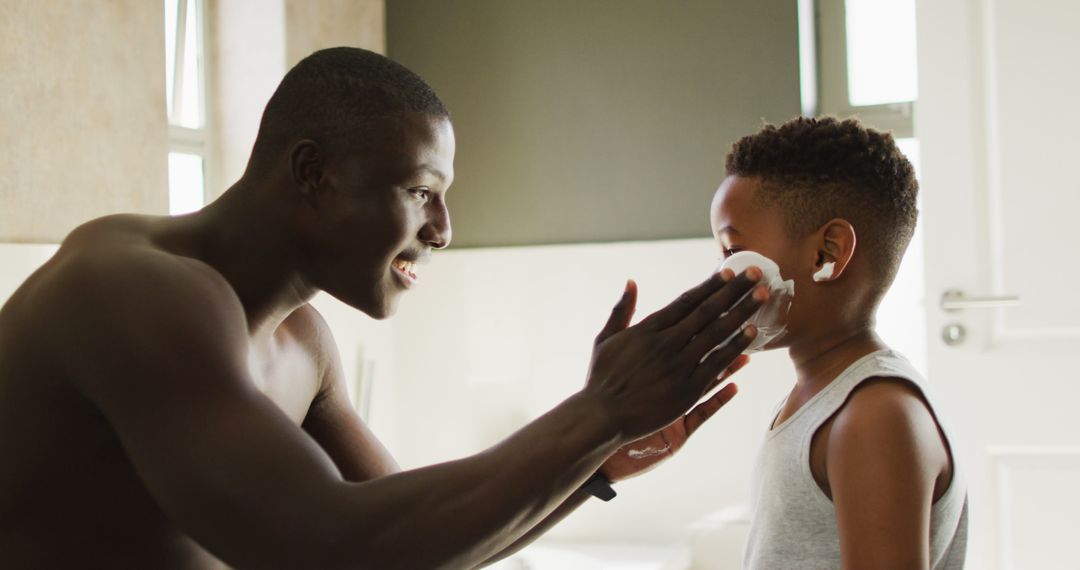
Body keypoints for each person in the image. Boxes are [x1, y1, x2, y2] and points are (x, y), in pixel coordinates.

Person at [0, 47, 767, 568]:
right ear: (313, 174)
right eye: (421, 192)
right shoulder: (132, 291)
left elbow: (415, 548)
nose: (444, 230)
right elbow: (336, 547)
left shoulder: (303, 340)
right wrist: (596, 414)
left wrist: (590, 460)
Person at [709, 116, 968, 569]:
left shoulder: (874, 416)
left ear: (827, 254)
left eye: (732, 251)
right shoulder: (820, 398)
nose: (722, 274)